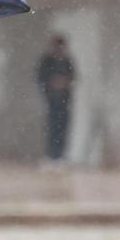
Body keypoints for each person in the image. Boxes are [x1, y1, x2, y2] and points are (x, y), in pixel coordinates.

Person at [36, 35, 75, 165]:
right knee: (52, 128)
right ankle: (51, 156)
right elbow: (41, 79)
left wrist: (65, 83)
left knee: (63, 128)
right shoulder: (47, 61)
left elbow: (74, 78)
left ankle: (60, 156)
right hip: (51, 101)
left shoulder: (67, 61)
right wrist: (51, 84)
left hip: (64, 101)